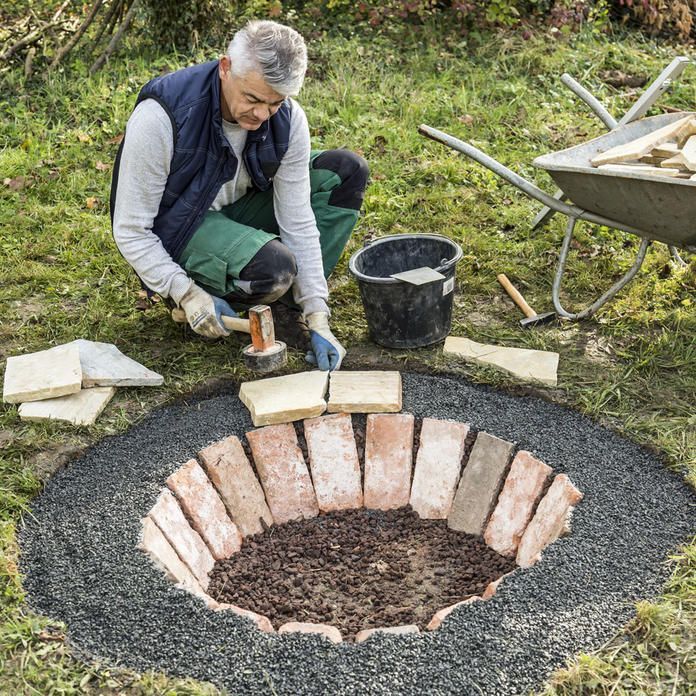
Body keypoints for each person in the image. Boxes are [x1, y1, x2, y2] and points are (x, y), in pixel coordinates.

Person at [110, 19, 368, 371]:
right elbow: (131, 229)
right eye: (253, 99)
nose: (262, 114)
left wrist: (317, 312)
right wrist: (185, 292)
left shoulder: (289, 119)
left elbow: (298, 218)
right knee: (275, 268)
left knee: (343, 172)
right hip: (181, 228)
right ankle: (217, 289)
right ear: (225, 68)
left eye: (275, 103)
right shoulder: (161, 116)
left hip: (237, 213)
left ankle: (287, 308)